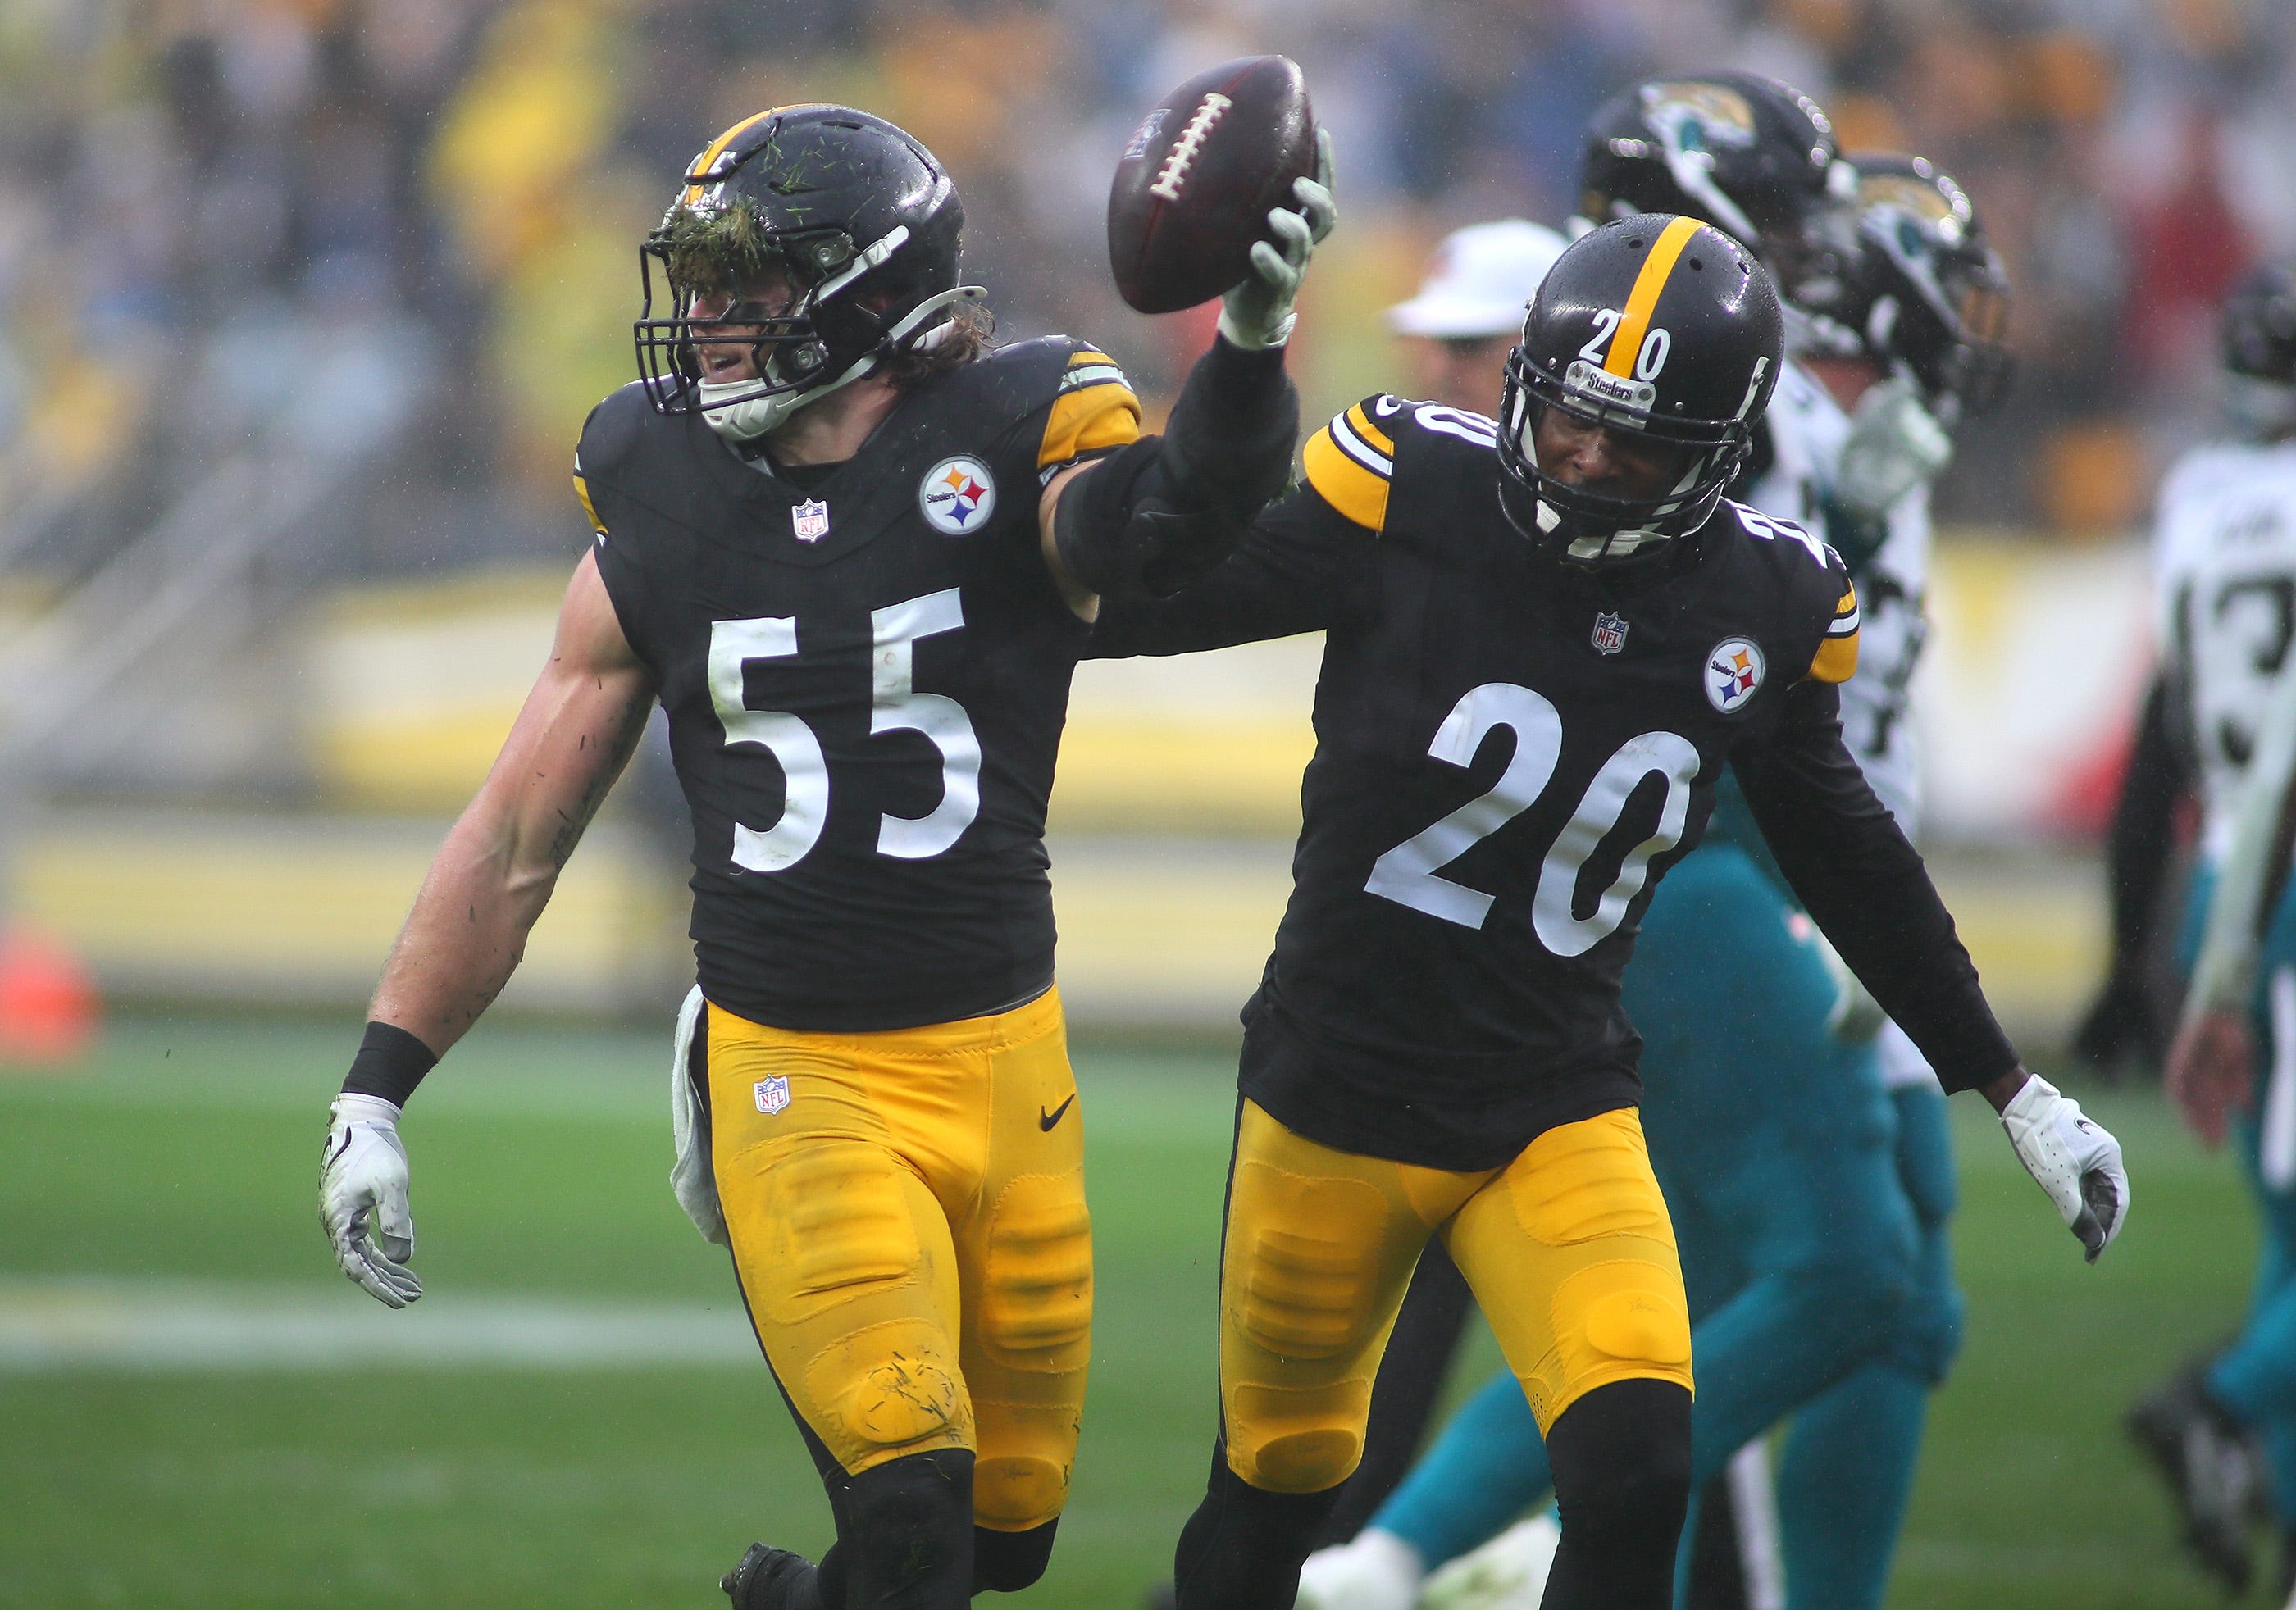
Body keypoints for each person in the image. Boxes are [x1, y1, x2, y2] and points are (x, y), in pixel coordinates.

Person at [315, 103, 1335, 1610]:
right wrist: (376, 1082)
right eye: (704, 279)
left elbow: (1171, 522)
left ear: (869, 294)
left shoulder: (1018, 427)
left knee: (1002, 1539)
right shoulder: (658, 484)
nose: (710, 320)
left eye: (752, 282)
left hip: (1007, 1060)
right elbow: (522, 826)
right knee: (915, 1510)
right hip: (800, 1071)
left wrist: (1250, 344)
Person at [1091, 211, 2126, 1610]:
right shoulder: (1410, 481)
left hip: (1552, 1104)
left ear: (1713, 452)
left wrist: (2009, 1086)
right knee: (1270, 1507)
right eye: (1570, 414)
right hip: (1331, 1092)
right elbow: (1151, 597)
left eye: (1631, 442)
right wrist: (1239, 371)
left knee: (1641, 1465)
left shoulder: (1767, 595)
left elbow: (1849, 853)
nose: (1582, 454)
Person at [1298, 84, 2002, 1610]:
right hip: (1700, 869)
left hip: (1773, 879)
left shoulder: (1808, 417)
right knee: (1836, 1277)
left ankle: (1503, 1552)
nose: (1831, 257)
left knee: (1900, 1295)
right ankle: (1421, 1551)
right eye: (1804, 221)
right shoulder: (1669, 412)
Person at [2130, 260, 2296, 1599]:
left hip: (2225, 866)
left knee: (2290, 1244)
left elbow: (2175, 730)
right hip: (2280, 865)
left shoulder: (2193, 497)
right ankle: (2225, 1402)